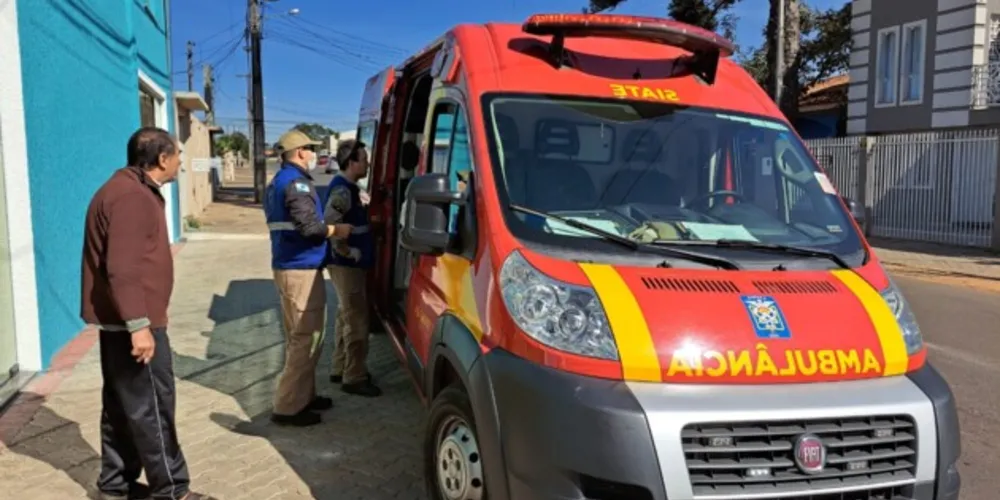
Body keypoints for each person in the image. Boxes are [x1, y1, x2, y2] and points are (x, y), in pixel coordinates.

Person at [81, 127, 214, 500]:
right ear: (161, 159)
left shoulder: (123, 189)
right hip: (135, 324)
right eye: (177, 157)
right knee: (153, 406)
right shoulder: (132, 197)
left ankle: (114, 485)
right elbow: (122, 268)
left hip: (122, 322)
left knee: (124, 407)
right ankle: (170, 490)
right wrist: (139, 326)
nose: (180, 164)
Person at [265, 129, 353, 427]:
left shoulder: (279, 180)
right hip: (300, 269)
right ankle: (288, 407)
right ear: (301, 152)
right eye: (311, 149)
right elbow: (310, 228)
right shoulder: (296, 184)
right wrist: (336, 231)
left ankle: (305, 396)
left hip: (290, 266)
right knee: (306, 339)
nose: (315, 154)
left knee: (301, 337)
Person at [324, 139, 381, 397]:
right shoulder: (343, 191)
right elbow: (331, 224)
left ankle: (340, 367)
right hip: (347, 266)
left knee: (344, 316)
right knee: (357, 321)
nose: (368, 162)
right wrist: (349, 252)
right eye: (364, 158)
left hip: (346, 265)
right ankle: (354, 376)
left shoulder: (350, 188)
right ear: (351, 162)